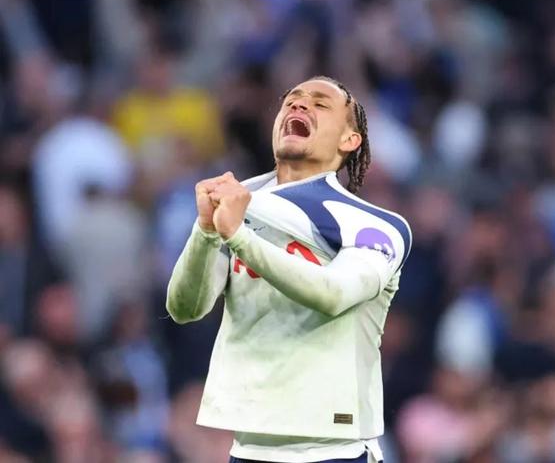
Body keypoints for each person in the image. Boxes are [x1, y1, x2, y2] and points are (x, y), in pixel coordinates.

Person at [166, 76, 412, 463]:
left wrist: (238, 237)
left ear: (350, 140)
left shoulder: (376, 225)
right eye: (291, 101)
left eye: (320, 104)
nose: (299, 106)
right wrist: (206, 231)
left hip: (334, 450)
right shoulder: (237, 205)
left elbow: (334, 295)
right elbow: (185, 308)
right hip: (248, 448)